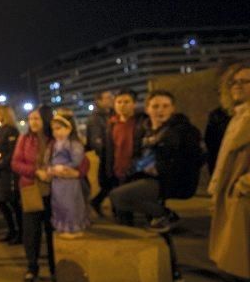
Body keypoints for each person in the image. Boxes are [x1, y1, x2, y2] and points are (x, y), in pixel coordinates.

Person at [109, 90, 204, 233]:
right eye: (155, 106)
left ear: (173, 108)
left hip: (169, 180)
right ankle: (160, 217)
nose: (160, 110)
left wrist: (163, 168)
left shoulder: (183, 130)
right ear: (147, 109)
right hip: (145, 175)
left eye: (165, 106)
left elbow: (197, 157)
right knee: (119, 197)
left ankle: (166, 215)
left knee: (118, 196)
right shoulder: (145, 129)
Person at [208, 62, 250, 282]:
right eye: (234, 82)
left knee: (240, 257)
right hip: (231, 193)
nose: (238, 86)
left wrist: (243, 185)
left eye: (245, 81)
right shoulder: (237, 116)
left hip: (243, 196)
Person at [12, 106, 54, 282]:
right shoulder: (24, 138)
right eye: (31, 119)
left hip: (53, 191)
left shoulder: (54, 138)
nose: (33, 122)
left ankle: (54, 268)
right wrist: (36, 171)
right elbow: (15, 163)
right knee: (31, 232)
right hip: (31, 190)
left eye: (37, 118)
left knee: (52, 231)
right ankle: (32, 267)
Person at [106, 90, 147, 224]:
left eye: (126, 102)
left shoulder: (142, 122)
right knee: (122, 207)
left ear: (134, 104)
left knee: (140, 199)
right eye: (119, 102)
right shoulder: (111, 124)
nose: (122, 105)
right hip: (117, 169)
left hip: (136, 168)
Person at [48, 112, 90, 238]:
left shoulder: (73, 144)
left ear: (69, 128)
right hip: (58, 180)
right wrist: (52, 168)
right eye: (53, 129)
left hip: (69, 181)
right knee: (58, 204)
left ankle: (74, 228)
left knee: (70, 204)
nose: (56, 132)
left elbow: (77, 160)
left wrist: (65, 167)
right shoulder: (55, 144)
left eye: (59, 128)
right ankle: (63, 226)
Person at [0, 104, 22, 244]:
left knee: (12, 202)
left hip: (9, 172)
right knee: (2, 201)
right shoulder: (2, 130)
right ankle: (12, 230)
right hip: (1, 171)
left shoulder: (11, 131)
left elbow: (12, 152)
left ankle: (20, 233)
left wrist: (0, 164)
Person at [86, 90, 115, 216]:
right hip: (106, 158)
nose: (111, 99)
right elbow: (95, 141)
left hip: (113, 157)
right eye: (108, 97)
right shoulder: (96, 118)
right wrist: (105, 152)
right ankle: (97, 203)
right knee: (109, 184)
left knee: (111, 184)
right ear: (99, 101)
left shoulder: (111, 115)